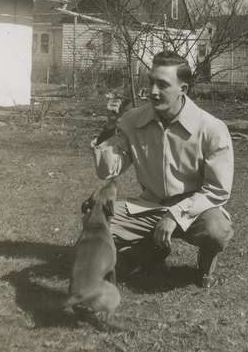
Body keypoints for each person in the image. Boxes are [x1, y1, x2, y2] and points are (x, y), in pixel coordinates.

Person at [91, 51, 234, 287]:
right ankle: (152, 252)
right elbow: (108, 171)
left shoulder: (212, 129)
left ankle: (205, 265)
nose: (153, 92)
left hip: (195, 211)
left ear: (183, 90)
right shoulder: (132, 121)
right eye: (151, 82)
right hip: (149, 206)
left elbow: (217, 190)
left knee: (216, 230)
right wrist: (107, 130)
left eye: (163, 85)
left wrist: (174, 215)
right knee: (97, 222)